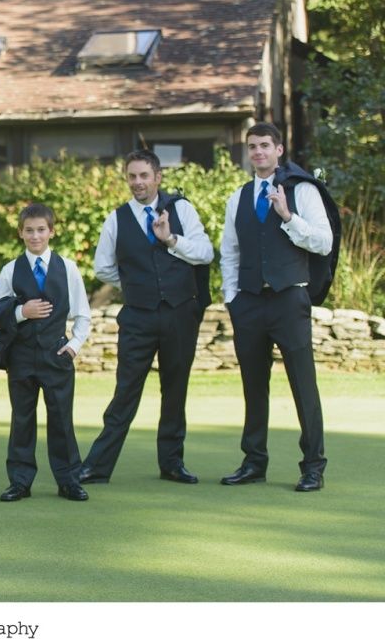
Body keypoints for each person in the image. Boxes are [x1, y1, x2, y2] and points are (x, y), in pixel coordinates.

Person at [79, 149, 214, 486]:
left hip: (180, 314)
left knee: (175, 389)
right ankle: (97, 466)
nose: (137, 182)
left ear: (158, 177)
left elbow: (205, 252)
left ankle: (172, 463)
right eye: (132, 176)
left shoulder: (181, 209)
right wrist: (136, 285)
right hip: (138, 317)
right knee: (126, 391)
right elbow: (103, 267)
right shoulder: (116, 218)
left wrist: (170, 240)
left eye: (143, 176)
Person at [219, 122, 332, 492]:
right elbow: (230, 252)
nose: (258, 153)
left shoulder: (302, 192)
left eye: (265, 145)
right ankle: (254, 462)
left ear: (279, 150)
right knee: (253, 385)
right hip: (248, 303)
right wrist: (231, 298)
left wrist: (288, 217)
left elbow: (324, 242)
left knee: (303, 384)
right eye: (252, 147)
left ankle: (313, 466)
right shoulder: (238, 197)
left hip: (289, 299)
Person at [0, 204, 92, 502]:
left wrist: (73, 347)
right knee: (22, 419)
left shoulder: (68, 268)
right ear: (20, 233)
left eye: (41, 230)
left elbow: (83, 314)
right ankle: (20, 481)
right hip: (20, 358)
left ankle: (69, 480)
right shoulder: (10, 270)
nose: (35, 236)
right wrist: (21, 312)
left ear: (51, 231)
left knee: (61, 418)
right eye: (29, 230)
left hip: (57, 356)